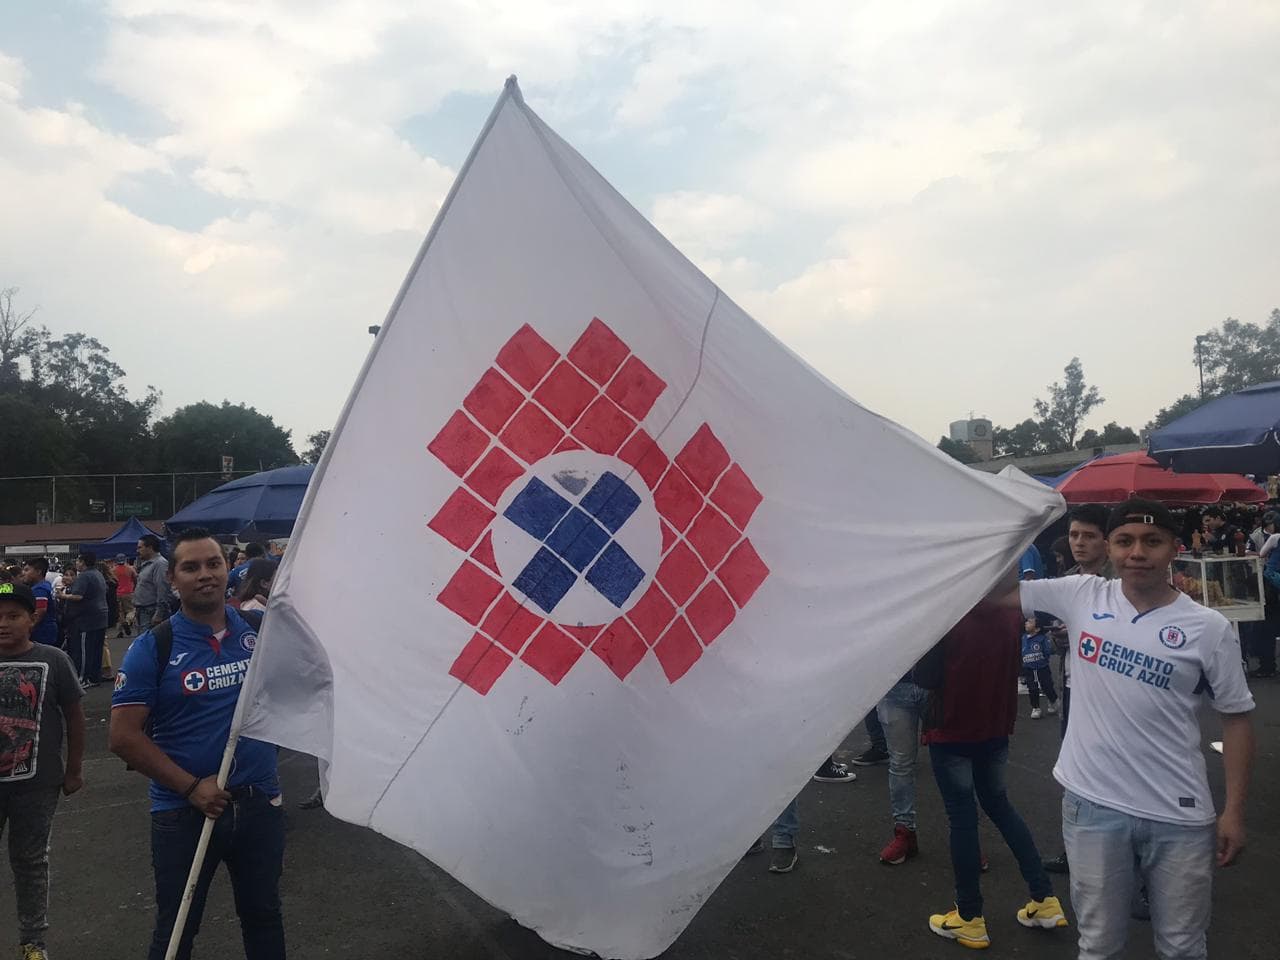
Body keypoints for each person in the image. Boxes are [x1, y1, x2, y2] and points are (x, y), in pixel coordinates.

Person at [996, 498, 1255, 960]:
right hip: (1093, 806)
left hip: (1179, 816)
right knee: (1098, 945)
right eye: (1125, 541)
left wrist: (1233, 810)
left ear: (1175, 548)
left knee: (1182, 948)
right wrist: (1012, 528)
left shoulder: (1208, 628)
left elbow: (1236, 720)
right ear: (1111, 548)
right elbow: (994, 595)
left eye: (1152, 541)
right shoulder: (1081, 594)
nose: (1138, 552)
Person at [109, 527, 284, 960]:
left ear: (229, 570)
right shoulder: (153, 647)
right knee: (176, 930)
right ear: (173, 579)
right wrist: (190, 787)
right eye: (191, 567)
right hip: (182, 811)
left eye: (213, 564)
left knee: (264, 916)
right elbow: (123, 737)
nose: (204, 574)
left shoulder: (259, 630)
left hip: (258, 801)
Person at [924, 598, 1067, 949]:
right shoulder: (1010, 612)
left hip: (952, 729)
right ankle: (1044, 898)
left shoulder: (946, 611)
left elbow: (925, 675)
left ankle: (969, 916)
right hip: (995, 727)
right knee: (1000, 806)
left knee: (962, 819)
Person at [0, 580, 86, 960]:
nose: (4, 624)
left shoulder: (54, 659)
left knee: (31, 861)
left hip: (37, 783)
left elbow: (75, 716)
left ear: (32, 619)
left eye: (13, 616)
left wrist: (74, 769)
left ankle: (33, 940)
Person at [876, 644, 945, 865]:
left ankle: (968, 839)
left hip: (939, 684)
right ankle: (904, 833)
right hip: (894, 685)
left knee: (952, 762)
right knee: (900, 764)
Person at [60, 552, 108, 687]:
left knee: (85, 650)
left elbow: (78, 596)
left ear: (83, 562)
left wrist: (63, 596)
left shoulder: (85, 576)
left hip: (87, 619)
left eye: (78, 561)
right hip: (101, 616)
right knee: (96, 650)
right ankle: (94, 677)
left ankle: (82, 678)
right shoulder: (98, 574)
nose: (76, 563)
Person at [1021, 615, 1059, 719]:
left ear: (1037, 628)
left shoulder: (1042, 639)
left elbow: (1048, 651)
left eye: (1030, 622)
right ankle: (1036, 707)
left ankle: (1053, 700)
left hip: (1042, 667)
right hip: (1029, 668)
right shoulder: (1023, 638)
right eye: (1027, 621)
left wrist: (1043, 658)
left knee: (1047, 686)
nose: (1026, 623)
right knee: (1032, 688)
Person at [133, 534, 170, 633]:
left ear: (149, 548)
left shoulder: (160, 564)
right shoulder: (147, 564)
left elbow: (162, 589)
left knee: (149, 644)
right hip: (143, 611)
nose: (137, 550)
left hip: (151, 611)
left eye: (140, 547)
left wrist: (159, 613)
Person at [19, 560, 58, 648]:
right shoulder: (45, 584)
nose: (23, 573)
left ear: (38, 571)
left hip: (42, 632)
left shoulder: (40, 589)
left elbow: (40, 611)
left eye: (27, 570)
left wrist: (27, 628)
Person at [96, 560, 120, 681]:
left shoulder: (103, 585)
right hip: (112, 611)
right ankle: (105, 669)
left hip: (103, 613)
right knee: (103, 641)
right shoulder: (113, 582)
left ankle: (106, 670)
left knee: (102, 642)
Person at [114, 554, 137, 637]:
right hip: (128, 592)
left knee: (120, 612)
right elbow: (135, 579)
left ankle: (120, 631)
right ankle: (127, 622)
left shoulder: (113, 570)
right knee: (131, 610)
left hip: (117, 593)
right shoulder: (130, 569)